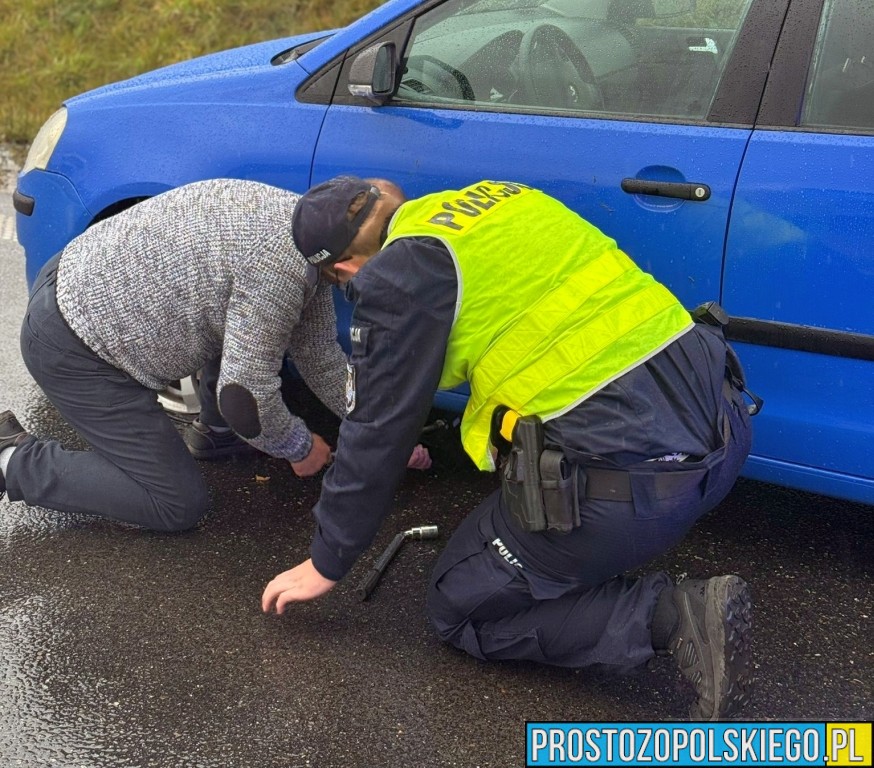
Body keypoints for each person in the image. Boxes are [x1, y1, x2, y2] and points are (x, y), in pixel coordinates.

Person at [261, 176, 757, 721]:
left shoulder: (398, 276)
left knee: (459, 605)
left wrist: (328, 560)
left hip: (633, 494)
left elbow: (374, 429)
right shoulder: (503, 199)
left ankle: (673, 616)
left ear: (347, 270)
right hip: (724, 432)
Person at [0, 177, 377, 530]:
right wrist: (299, 446)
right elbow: (245, 397)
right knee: (176, 503)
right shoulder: (278, 268)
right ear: (344, 264)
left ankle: (216, 434)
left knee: (248, 325)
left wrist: (375, 429)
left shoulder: (309, 230)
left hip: (80, 278)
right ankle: (12, 461)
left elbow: (318, 352)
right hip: (77, 349)